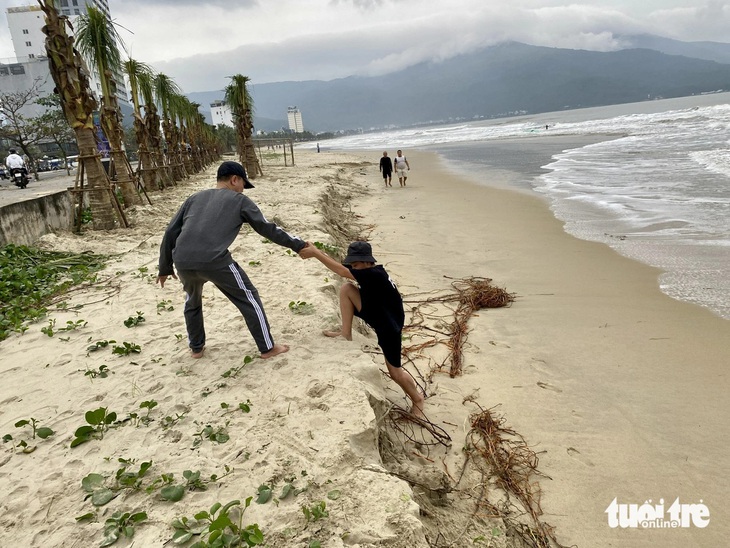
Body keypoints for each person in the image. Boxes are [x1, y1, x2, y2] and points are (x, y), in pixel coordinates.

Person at [157, 160, 307, 360]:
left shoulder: (194, 198)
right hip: (214, 259)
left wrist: (164, 267)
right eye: (243, 185)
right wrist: (298, 245)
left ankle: (196, 348)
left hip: (182, 260)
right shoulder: (239, 201)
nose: (243, 190)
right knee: (248, 297)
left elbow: (170, 232)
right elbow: (267, 228)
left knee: (191, 302)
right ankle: (268, 348)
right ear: (235, 179)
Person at [300, 241, 425, 417]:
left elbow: (341, 271)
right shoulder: (369, 271)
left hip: (389, 328)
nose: (353, 269)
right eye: (352, 266)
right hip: (378, 314)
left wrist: (315, 253)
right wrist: (316, 251)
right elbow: (344, 271)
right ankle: (345, 333)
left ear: (367, 262)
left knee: (395, 372)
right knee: (346, 288)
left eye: (356, 265)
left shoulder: (374, 274)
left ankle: (418, 399)